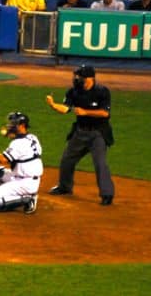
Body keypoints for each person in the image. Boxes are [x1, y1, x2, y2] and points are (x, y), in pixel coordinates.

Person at [46, 65, 115, 205]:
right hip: (80, 132)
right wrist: (53, 105)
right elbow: (66, 109)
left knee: (100, 163)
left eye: (80, 77)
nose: (77, 79)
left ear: (90, 78)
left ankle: (107, 194)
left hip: (98, 133)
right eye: (76, 76)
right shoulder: (73, 92)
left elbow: (105, 113)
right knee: (67, 159)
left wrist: (85, 112)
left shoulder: (102, 92)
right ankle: (64, 187)